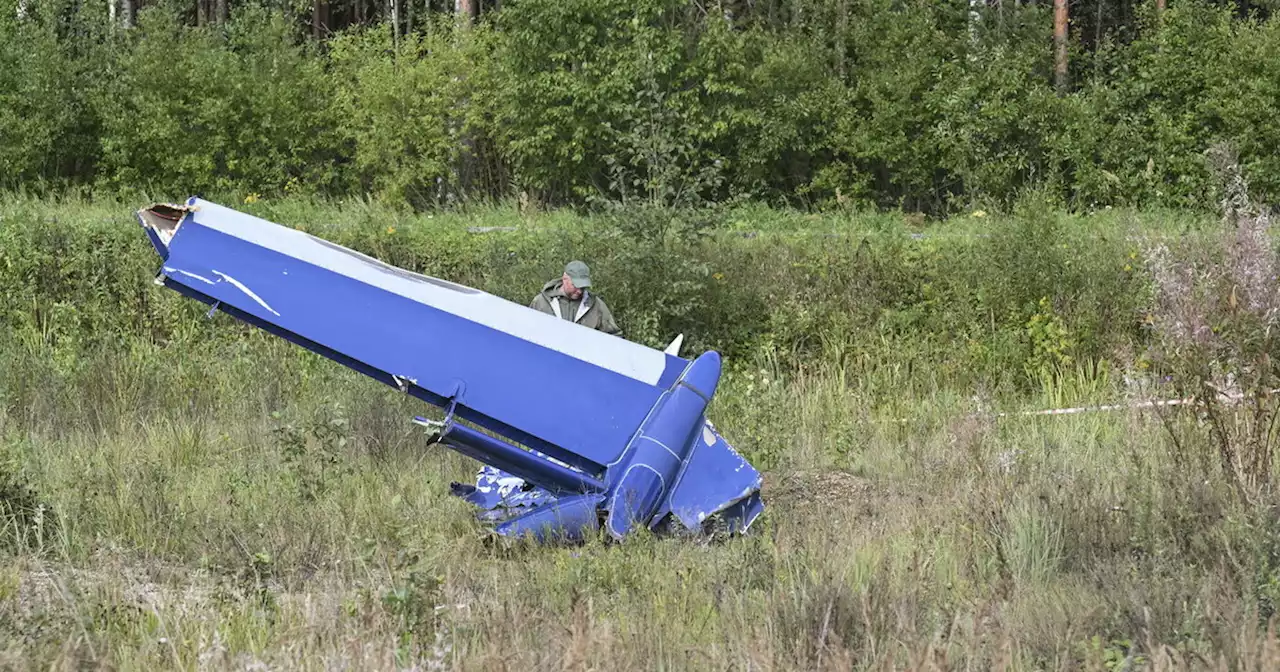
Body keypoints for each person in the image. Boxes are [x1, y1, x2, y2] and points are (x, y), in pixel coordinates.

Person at [529, 260, 620, 335]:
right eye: (575, 286)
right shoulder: (541, 302)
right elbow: (528, 331)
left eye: (583, 287)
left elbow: (614, 336)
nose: (579, 291)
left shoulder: (596, 305)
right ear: (565, 279)